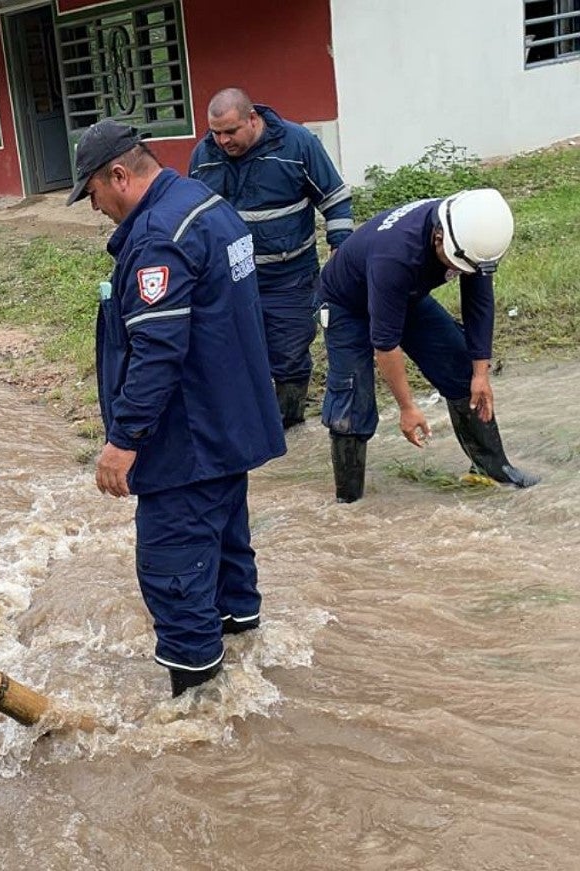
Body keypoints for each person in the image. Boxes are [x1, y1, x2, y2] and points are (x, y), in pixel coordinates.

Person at [66, 120, 286, 696]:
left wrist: (123, 440)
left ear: (118, 175)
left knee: (173, 571)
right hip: (227, 429)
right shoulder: (207, 204)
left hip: (185, 443)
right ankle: (243, 662)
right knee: (227, 554)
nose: (95, 209)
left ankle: (198, 712)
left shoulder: (159, 236)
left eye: (92, 193)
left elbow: (158, 349)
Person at [316, 188, 539, 502]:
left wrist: (480, 374)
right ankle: (349, 501)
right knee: (352, 400)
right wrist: (407, 408)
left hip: (407, 296)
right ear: (438, 239)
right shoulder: (394, 256)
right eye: (459, 267)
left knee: (460, 369)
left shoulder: (470, 234)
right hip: (346, 304)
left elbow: (479, 305)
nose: (463, 274)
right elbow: (385, 344)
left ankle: (492, 470)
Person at [189, 88, 353, 428]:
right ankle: (248, 423)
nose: (222, 141)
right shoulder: (203, 155)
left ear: (252, 119)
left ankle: (287, 423)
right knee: (234, 353)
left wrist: (341, 250)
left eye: (230, 132)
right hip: (230, 278)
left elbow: (334, 199)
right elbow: (194, 215)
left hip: (289, 276)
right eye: (216, 133)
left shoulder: (297, 144)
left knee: (289, 355)